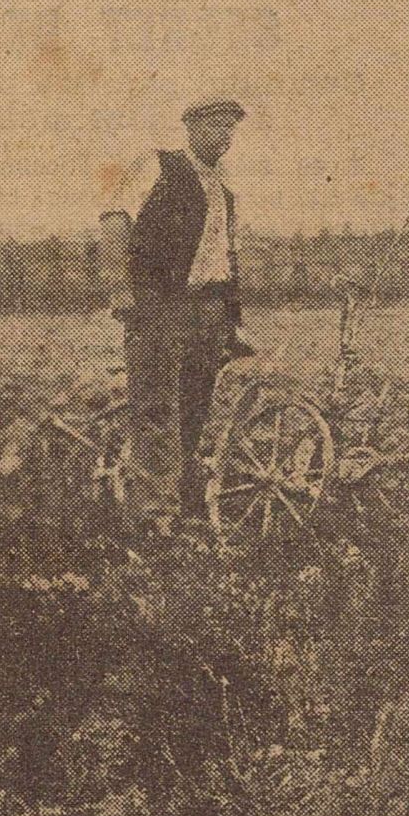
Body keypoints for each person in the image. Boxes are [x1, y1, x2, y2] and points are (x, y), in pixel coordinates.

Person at [99, 96, 254, 526]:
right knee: (155, 413)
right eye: (215, 126)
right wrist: (119, 288)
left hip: (206, 312)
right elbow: (115, 220)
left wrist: (230, 320)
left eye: (230, 128)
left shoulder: (224, 190)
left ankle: (185, 509)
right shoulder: (157, 166)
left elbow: (224, 256)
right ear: (190, 127)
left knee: (194, 412)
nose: (224, 136)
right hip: (158, 308)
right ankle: (152, 519)